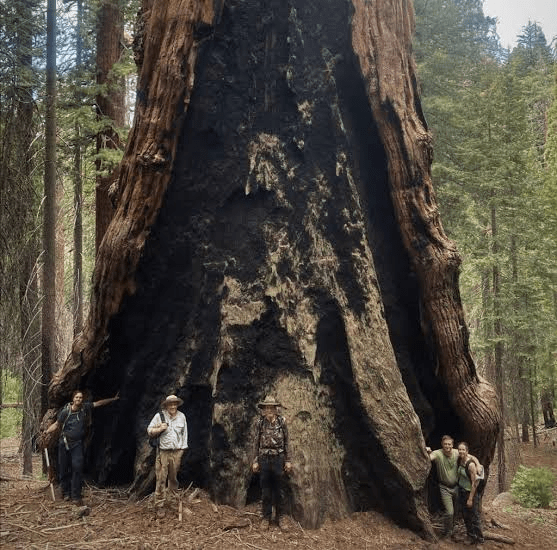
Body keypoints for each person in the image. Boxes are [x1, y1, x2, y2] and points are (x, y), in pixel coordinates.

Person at [45, 389, 119, 505]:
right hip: (64, 443)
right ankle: (66, 493)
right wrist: (47, 432)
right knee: (64, 469)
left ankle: (76, 495)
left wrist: (113, 399)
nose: (79, 399)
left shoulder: (84, 408)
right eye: (77, 397)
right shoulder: (66, 411)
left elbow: (98, 403)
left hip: (77, 444)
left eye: (80, 397)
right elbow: (57, 424)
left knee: (77, 467)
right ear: (73, 399)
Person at [426, 435, 481, 538]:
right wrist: (427, 452)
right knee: (449, 512)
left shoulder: (457, 452)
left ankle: (454, 530)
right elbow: (429, 458)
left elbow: (472, 457)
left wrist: (477, 464)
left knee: (457, 511)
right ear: (442, 444)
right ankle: (448, 532)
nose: (447, 446)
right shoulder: (438, 453)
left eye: (449, 444)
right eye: (445, 444)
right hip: (444, 487)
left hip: (457, 487)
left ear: (452, 445)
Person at [251, 395, 292, 530]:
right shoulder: (260, 423)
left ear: (275, 409)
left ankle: (281, 517)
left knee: (279, 489)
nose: (269, 410)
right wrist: (255, 460)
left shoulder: (282, 422)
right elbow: (256, 442)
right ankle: (266, 517)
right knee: (266, 490)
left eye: (271, 407)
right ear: (264, 409)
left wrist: (288, 460)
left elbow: (287, 442)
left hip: (278, 459)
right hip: (264, 459)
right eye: (266, 408)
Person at [147, 394, 188, 505]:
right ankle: (159, 503)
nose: (173, 406)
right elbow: (149, 430)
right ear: (166, 405)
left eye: (175, 404)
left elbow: (185, 434)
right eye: (170, 404)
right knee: (161, 478)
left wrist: (182, 450)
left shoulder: (182, 416)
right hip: (163, 452)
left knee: (173, 478)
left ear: (177, 405)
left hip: (176, 452)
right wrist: (160, 428)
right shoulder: (159, 416)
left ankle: (172, 500)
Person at [457, 442, 484, 544]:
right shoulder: (460, 459)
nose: (461, 451)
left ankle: (480, 540)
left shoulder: (470, 464)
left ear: (467, 451)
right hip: (462, 492)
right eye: (459, 449)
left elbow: (475, 483)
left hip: (470, 493)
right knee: (466, 516)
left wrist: (470, 499)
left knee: (474, 517)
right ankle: (471, 536)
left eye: (463, 450)